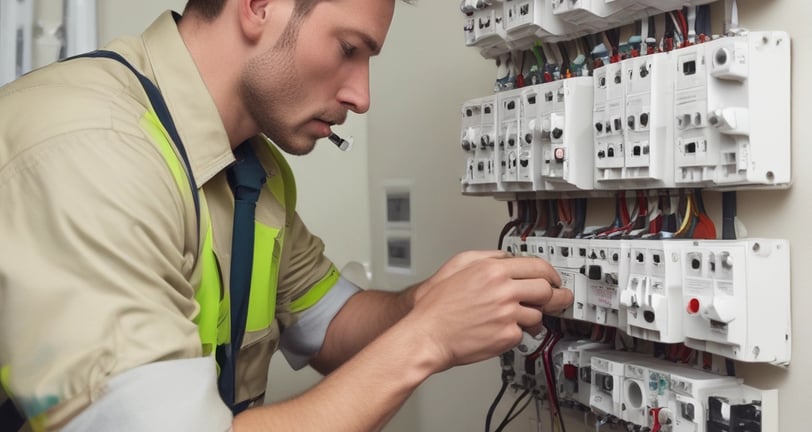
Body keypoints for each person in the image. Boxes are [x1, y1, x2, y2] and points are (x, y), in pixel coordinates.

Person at [0, 0, 573, 430]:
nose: (362, 97)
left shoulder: (253, 170)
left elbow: (330, 324)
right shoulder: (92, 147)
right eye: (349, 49)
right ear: (258, 7)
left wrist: (429, 301)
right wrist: (429, 337)